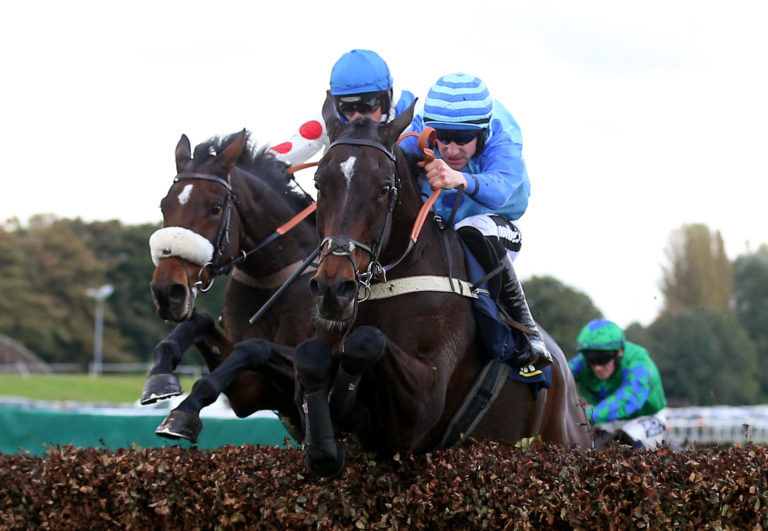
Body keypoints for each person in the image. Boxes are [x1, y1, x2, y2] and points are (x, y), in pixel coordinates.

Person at [399, 72, 551, 371]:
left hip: (495, 225)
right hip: (437, 222)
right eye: (443, 137)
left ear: (482, 132)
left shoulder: (503, 132)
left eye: (464, 139)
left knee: (472, 229)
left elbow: (503, 187)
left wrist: (460, 179)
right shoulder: (420, 127)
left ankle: (528, 331)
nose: (452, 150)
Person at [269, 49, 416, 166]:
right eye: (347, 107)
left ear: (388, 96)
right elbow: (290, 147)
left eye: (366, 105)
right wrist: (269, 162)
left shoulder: (413, 114)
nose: (358, 116)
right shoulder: (329, 120)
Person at [569, 318, 668, 448]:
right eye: (590, 358)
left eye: (603, 358)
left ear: (619, 351)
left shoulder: (639, 361)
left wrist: (587, 416)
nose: (597, 366)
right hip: (608, 419)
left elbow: (630, 397)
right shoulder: (581, 363)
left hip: (647, 417)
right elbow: (559, 376)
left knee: (626, 440)